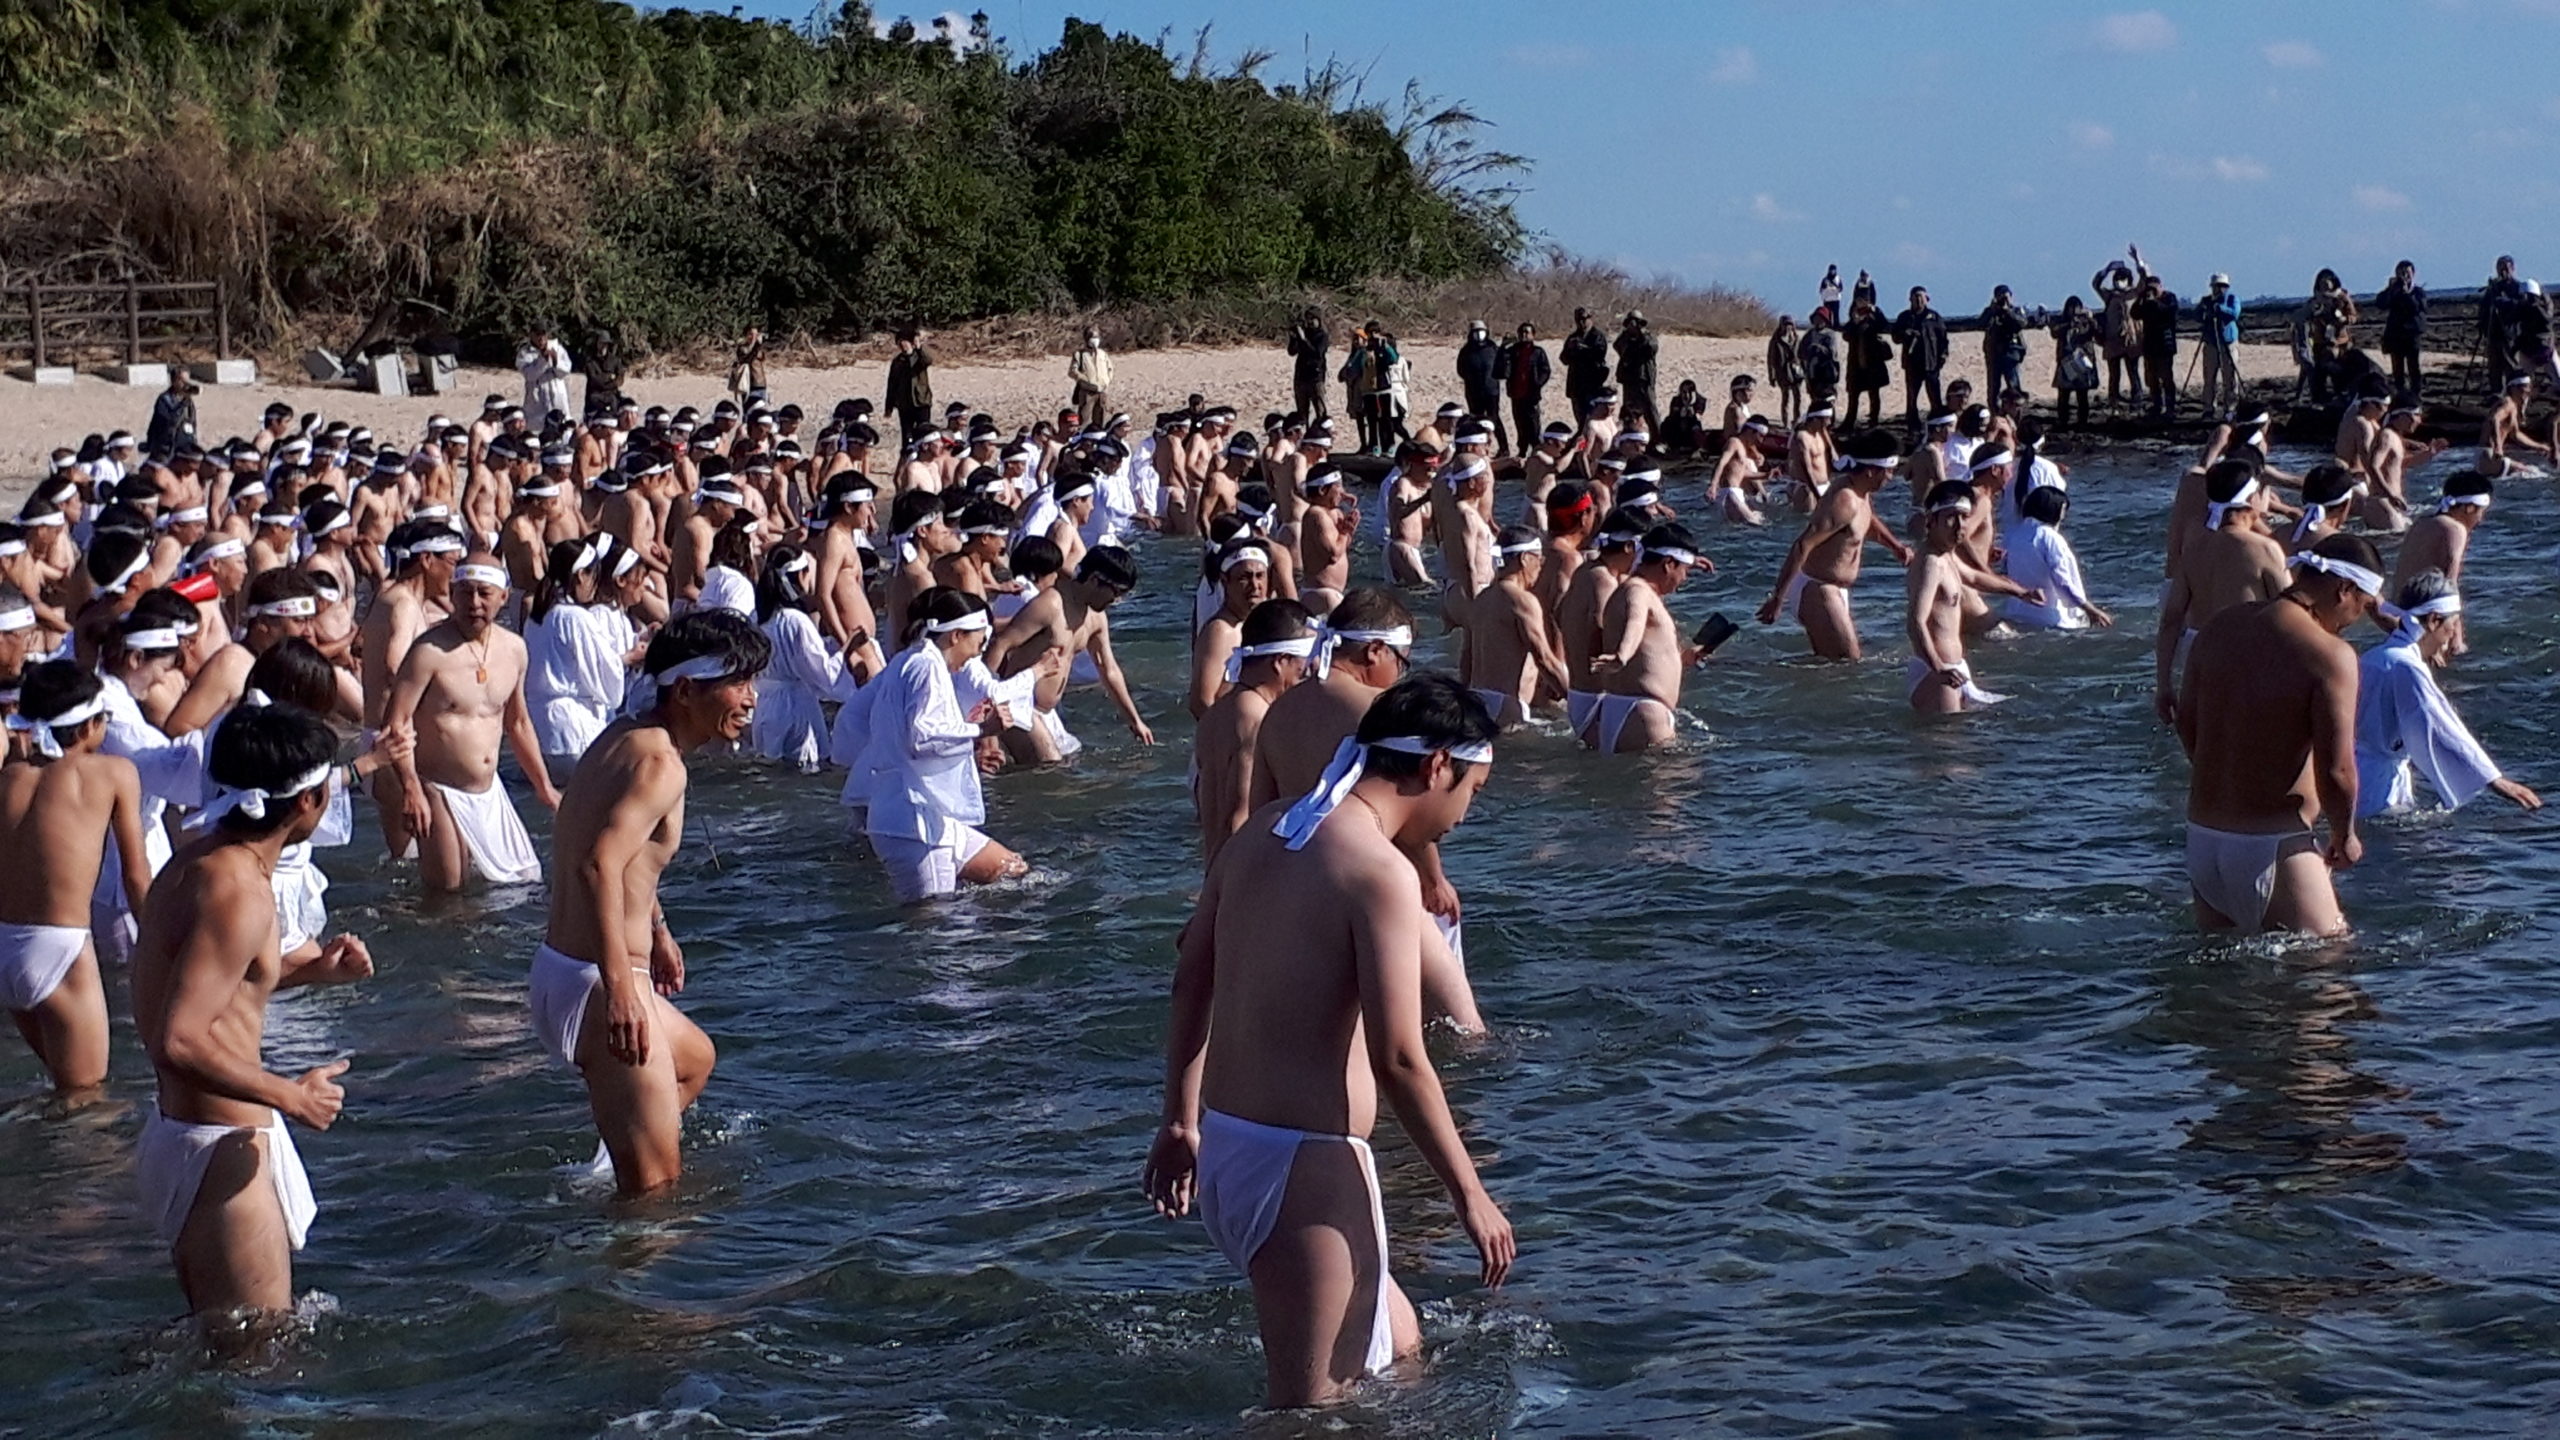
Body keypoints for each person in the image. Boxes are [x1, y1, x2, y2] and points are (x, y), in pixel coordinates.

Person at [1144, 674, 1514, 1411]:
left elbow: (1191, 977)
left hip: (1229, 1148)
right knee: (1310, 1416)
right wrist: (1469, 1193)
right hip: (1303, 1172)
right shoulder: (1377, 871)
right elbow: (1401, 1058)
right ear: (1437, 767)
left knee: (1403, 1351)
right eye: (1474, 788)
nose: (1467, 814)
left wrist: (1179, 1121)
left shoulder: (1269, 828)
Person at [132, 702, 370, 1320]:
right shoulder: (240, 892)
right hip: (222, 1150)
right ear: (308, 803)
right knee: (258, 1355)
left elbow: (214, 988)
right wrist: (289, 1096)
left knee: (219, 1346)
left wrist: (311, 970)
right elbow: (178, 1039)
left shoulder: (197, 861)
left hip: (186, 1135)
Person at [532, 611, 769, 1198]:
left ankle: (618, 1148)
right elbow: (598, 865)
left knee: (694, 1058)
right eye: (738, 684)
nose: (752, 699)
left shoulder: (623, 736)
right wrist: (620, 992)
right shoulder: (662, 766)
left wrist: (658, 928)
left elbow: (608, 848)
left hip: (562, 971)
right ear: (687, 691)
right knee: (658, 1201)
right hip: (599, 983)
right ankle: (606, 1262)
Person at [2177, 534, 2383, 935]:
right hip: (2274, 846)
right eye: (2363, 605)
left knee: (2227, 987)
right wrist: (2345, 835)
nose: (2354, 620)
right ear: (2345, 589)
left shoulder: (2218, 628)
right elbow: (2338, 768)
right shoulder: (2328, 655)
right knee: (2328, 979)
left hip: (2203, 840)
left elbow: (2188, 723)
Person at [0, 662, 147, 1094]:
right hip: (58, 947)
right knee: (87, 1101)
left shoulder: (8, 777)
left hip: (4, 946)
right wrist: (165, 948)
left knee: (64, 1091)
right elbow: (136, 878)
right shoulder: (112, 773)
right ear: (89, 727)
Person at [385, 553, 558, 891]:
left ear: (503, 597)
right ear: (451, 593)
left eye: (484, 593)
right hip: (438, 787)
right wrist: (411, 788)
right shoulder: (429, 652)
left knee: (521, 887)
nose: (474, 602)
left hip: (490, 792)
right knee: (449, 891)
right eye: (464, 592)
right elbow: (397, 725)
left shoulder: (514, 650)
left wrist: (545, 788)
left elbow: (518, 723)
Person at [858, 588, 1030, 904]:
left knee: (1012, 870)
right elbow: (921, 737)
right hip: (911, 822)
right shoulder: (926, 666)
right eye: (978, 645)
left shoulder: (914, 658)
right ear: (955, 636)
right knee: (935, 927)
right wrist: (981, 729)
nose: (976, 657)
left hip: (923, 812)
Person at [2355, 569, 2538, 821]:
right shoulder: (2406, 666)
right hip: (2379, 791)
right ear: (2433, 621)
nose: (2453, 636)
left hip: (2354, 777)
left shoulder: (2376, 657)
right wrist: (2495, 780)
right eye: (2452, 626)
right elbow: (2440, 724)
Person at [1757, 430, 1914, 660]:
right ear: (1871, 471)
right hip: (1818, 588)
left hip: (1834, 590)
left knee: (1830, 665)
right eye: (1888, 471)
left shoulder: (1861, 492)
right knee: (1848, 663)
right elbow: (1803, 544)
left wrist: (1896, 547)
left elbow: (1867, 521)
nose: (1891, 477)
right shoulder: (1845, 500)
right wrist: (1778, 598)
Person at [2155, 460, 2289, 726]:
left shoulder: (2194, 547)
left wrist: (2164, 685)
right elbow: (2293, 615)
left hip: (2200, 654)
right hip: (2247, 654)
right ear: (2253, 498)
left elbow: (2171, 620)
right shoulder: (2264, 549)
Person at [1193, 598, 1317, 867]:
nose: (1308, 679)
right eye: (1304, 669)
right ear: (1280, 662)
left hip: (1217, 866)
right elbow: (1239, 817)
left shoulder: (1217, 713)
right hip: (1241, 874)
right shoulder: (1257, 718)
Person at [1906, 482, 2042, 713]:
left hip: (1953, 669)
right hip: (1937, 672)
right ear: (1931, 520)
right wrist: (1938, 669)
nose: (1959, 525)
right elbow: (1915, 622)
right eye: (1951, 517)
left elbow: (1975, 578)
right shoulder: (1931, 563)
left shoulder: (1945, 555)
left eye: (1964, 517)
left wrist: (2021, 592)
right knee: (1945, 742)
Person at [1584, 524, 1707, 753]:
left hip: (1619, 710)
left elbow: (1646, 651)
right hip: (1642, 714)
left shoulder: (1625, 589)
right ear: (1669, 564)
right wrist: (1623, 654)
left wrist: (1683, 659)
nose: (1684, 579)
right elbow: (1635, 623)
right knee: (1676, 785)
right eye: (1685, 571)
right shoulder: (1638, 591)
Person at [752, 545, 860, 772]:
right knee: (802, 770)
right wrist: (846, 647)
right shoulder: (795, 621)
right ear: (800, 576)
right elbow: (823, 675)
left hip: (765, 706)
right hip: (795, 708)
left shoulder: (759, 617)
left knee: (769, 771)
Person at [1462, 526, 1569, 728]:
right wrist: (1577, 701)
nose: (1541, 565)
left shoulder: (1482, 599)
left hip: (1475, 701)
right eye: (1539, 558)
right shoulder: (1522, 601)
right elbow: (1544, 659)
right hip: (1506, 704)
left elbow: (1466, 659)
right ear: (1524, 559)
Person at [2389, 470, 2492, 656]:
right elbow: (2450, 585)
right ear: (2468, 508)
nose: (2481, 519)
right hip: (2426, 626)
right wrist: (2456, 640)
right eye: (2481, 512)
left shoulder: (2422, 522)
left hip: (2398, 620)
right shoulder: (2455, 529)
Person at [2001, 484, 2110, 630]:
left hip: (2017, 615)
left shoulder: (2015, 534)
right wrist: (2090, 609)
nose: (2063, 516)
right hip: (2052, 619)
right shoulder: (2049, 537)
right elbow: (2062, 580)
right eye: (2063, 510)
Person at [2094, 250, 2147, 409]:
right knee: (2114, 374)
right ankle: (2113, 401)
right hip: (2112, 340)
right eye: (2117, 279)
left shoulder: (2134, 294)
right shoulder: (2109, 296)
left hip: (2131, 340)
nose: (2119, 282)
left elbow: (2145, 278)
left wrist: (2138, 260)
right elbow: (2095, 284)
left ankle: (2137, 399)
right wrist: (2107, 270)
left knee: (2133, 371)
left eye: (2122, 279)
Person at [1892, 287, 1949, 427]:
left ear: (1927, 299)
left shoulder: (1934, 317)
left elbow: (1943, 339)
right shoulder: (1904, 317)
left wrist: (1943, 355)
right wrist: (1906, 333)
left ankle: (1936, 421)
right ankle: (1912, 423)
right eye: (1915, 297)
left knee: (1935, 396)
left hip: (1931, 363)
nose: (1918, 300)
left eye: (1921, 297)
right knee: (1912, 396)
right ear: (1910, 299)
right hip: (1912, 363)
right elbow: (1895, 337)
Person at [2374, 260, 2427, 399]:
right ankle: (2400, 393)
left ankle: (2416, 393)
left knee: (2413, 366)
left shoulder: (2418, 292)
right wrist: (2391, 290)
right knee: (2397, 368)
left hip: (2412, 335)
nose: (2404, 276)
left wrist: (2406, 294)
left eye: (2407, 273)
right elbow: (2380, 303)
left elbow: (2418, 308)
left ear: (2413, 274)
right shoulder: (2394, 290)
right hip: (2395, 334)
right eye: (2401, 273)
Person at [1497, 321, 1550, 455]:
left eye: (1527, 332)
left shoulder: (1538, 352)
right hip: (1516, 395)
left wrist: (1538, 382)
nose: (1524, 335)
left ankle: (1537, 449)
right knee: (1520, 424)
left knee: (1534, 425)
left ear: (1533, 335)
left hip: (1531, 395)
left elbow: (1546, 370)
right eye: (1522, 332)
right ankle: (1522, 450)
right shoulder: (1513, 351)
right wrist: (1503, 348)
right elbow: (1500, 368)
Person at [2306, 269, 2358, 405]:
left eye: (2327, 281)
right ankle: (2319, 399)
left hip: (2340, 341)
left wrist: (2344, 319)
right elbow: (2308, 315)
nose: (2325, 284)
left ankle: (2340, 396)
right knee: (2320, 373)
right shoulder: (2315, 299)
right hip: (2321, 342)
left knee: (2339, 373)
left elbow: (2353, 316)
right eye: (2322, 281)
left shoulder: (2342, 297)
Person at [1455, 320, 1506, 455]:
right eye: (1475, 332)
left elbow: (1501, 367)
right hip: (1473, 391)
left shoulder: (1492, 348)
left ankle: (1504, 448)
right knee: (1476, 420)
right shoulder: (1466, 351)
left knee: (1494, 418)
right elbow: (1460, 370)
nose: (1479, 334)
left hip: (1491, 391)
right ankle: (1478, 447)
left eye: (1481, 331)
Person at [2135, 272, 2182, 417]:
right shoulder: (2146, 301)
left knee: (2166, 376)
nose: (2152, 291)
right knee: (2152, 377)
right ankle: (2156, 404)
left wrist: (2155, 301)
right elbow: (2134, 314)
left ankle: (2170, 406)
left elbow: (2169, 311)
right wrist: (2140, 299)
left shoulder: (2169, 298)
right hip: (2150, 344)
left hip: (2165, 343)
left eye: (2154, 288)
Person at [1841, 299, 1894, 430]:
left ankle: (1874, 421)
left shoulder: (1873, 323)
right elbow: (1845, 335)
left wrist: (1875, 311)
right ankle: (1849, 422)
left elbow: (1885, 326)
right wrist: (1855, 321)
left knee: (1874, 394)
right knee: (1853, 395)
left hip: (1872, 364)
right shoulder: (1852, 325)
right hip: (1856, 365)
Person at [2198, 274, 2242, 418]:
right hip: (2211, 342)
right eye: (2217, 286)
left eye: (2222, 286)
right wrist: (2205, 310)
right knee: (2209, 377)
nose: (2220, 289)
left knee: (2230, 376)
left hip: (2228, 342)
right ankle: (2208, 407)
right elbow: (2197, 315)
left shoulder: (2232, 299)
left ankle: (2230, 407)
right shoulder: (2206, 301)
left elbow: (2234, 314)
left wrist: (2219, 308)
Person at [886, 329, 935, 452]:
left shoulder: (919, 357)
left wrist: (919, 349)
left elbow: (928, 361)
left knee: (924, 434)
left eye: (904, 342)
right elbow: (892, 384)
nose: (902, 345)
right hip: (905, 405)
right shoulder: (897, 362)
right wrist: (889, 407)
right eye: (899, 343)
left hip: (921, 402)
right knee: (907, 437)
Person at [1560, 306, 1610, 422]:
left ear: (1590, 318)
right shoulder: (1573, 337)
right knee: (1580, 418)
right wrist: (1570, 349)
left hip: (1592, 383)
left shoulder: (1597, 336)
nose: (1581, 322)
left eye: (1583, 318)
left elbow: (1599, 354)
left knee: (1593, 418)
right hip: (1576, 384)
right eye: (1578, 319)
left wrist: (1582, 348)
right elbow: (1563, 359)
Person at [1613, 311, 1660, 431]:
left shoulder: (1648, 337)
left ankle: (1658, 436)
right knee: (1629, 409)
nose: (1632, 325)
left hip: (1644, 379)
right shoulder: (1625, 339)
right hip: (1629, 379)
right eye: (1630, 322)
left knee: (1649, 408)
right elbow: (1617, 346)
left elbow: (1652, 347)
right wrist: (1628, 334)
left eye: (1635, 322)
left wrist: (1641, 333)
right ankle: (1629, 432)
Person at [516, 326, 574, 425]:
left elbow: (566, 370)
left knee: (561, 426)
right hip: (536, 398)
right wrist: (543, 360)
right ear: (531, 335)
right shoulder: (524, 353)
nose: (541, 339)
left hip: (557, 395)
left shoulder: (558, 349)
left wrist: (555, 362)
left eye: (543, 335)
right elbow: (530, 375)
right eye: (538, 335)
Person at [147, 367, 199, 463]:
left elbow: (192, 423)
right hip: (166, 449)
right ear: (174, 381)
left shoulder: (188, 401)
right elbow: (170, 421)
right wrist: (183, 403)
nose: (185, 384)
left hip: (184, 447)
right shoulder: (164, 399)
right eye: (182, 380)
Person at [1286, 310, 1330, 421]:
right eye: (1308, 319)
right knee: (1301, 413)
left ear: (1318, 320)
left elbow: (1317, 353)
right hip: (1301, 377)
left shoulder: (1322, 336)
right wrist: (1294, 338)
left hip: (1316, 377)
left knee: (1320, 411)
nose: (1310, 322)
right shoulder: (1304, 333)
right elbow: (1292, 351)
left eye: (1312, 319)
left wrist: (1303, 339)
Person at [1069, 327, 1112, 430]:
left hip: (1102, 392)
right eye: (1092, 337)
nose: (1095, 339)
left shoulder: (1103, 354)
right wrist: (1086, 381)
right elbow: (1072, 372)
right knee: (1083, 420)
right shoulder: (1079, 354)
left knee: (1100, 420)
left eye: (1097, 337)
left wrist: (1106, 382)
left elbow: (1110, 369)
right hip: (1087, 393)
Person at [1766, 316, 1805, 425]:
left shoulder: (1797, 339)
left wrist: (1804, 371)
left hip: (1796, 373)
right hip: (1782, 373)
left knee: (1798, 398)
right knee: (1786, 398)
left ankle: (1797, 420)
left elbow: (1802, 356)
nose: (1788, 327)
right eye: (1786, 324)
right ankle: (1785, 422)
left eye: (1790, 324)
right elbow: (1771, 359)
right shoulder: (1776, 340)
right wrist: (1771, 376)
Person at [728, 326, 767, 408]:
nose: (753, 337)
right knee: (748, 410)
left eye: (756, 334)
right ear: (746, 335)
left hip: (760, 384)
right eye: (751, 334)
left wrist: (758, 345)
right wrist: (755, 344)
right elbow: (748, 359)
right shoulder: (742, 348)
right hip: (747, 383)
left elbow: (762, 358)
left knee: (761, 410)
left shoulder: (759, 348)